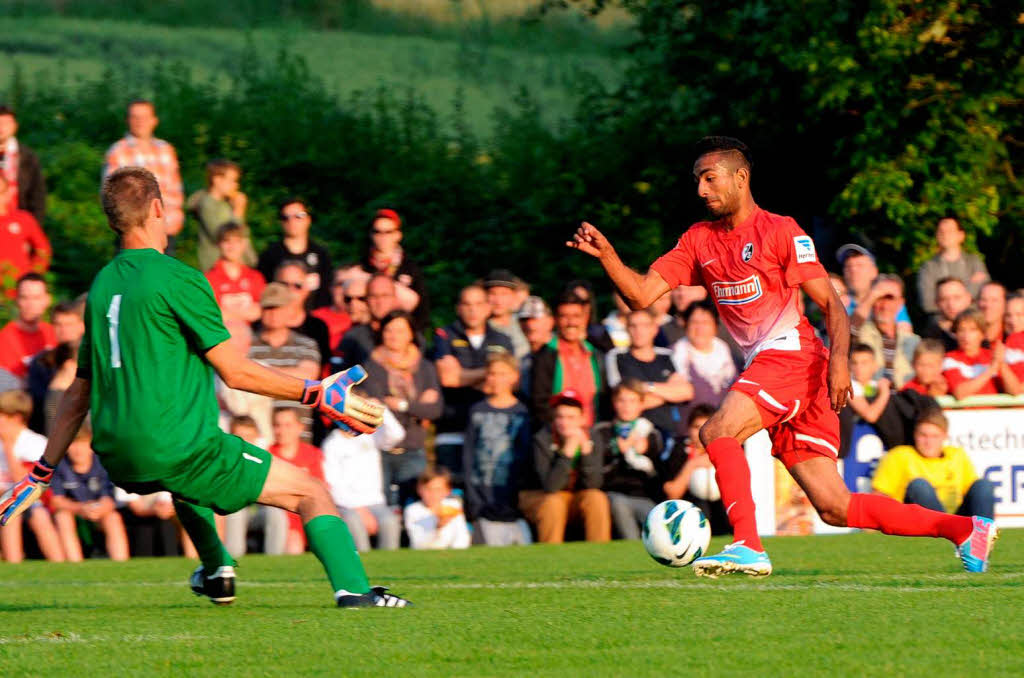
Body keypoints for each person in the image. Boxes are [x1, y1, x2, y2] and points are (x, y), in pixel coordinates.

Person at [568, 135, 997, 576]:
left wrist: (839, 362)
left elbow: (831, 302)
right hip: (783, 370)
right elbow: (640, 295)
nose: (701, 190)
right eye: (698, 180)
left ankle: (747, 545)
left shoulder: (780, 230)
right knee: (833, 506)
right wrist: (608, 256)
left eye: (710, 178)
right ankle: (965, 529)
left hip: (794, 356)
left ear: (741, 177)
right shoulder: (698, 240)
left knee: (718, 430)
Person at [0, 167, 409, 607]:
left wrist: (42, 471)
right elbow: (236, 372)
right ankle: (355, 592)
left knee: (183, 480)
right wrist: (317, 392)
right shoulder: (179, 278)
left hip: (118, 455)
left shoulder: (102, 285)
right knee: (311, 492)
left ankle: (216, 570)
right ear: (158, 208)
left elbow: (80, 389)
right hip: (175, 445)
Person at [431, 284, 514, 482]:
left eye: (478, 304)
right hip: (452, 426)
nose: (473, 310)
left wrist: (463, 375)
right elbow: (448, 378)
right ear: (458, 308)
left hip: (491, 428)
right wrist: (491, 373)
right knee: (452, 493)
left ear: (488, 307)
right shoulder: (444, 335)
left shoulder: (503, 339)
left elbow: (510, 382)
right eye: (467, 304)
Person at [360, 310, 443, 508]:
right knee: (383, 507)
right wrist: (418, 406)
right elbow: (377, 407)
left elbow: (435, 410)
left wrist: (404, 404)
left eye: (400, 330)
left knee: (412, 506)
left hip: (413, 448)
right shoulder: (371, 367)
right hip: (379, 449)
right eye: (389, 330)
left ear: (411, 334)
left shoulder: (424, 368)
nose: (394, 336)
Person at [519, 391, 611, 543]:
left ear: (582, 419)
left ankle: (600, 555)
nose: (564, 422)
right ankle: (551, 556)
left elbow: (594, 484)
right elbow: (551, 486)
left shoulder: (593, 437)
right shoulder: (542, 439)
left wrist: (586, 453)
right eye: (560, 417)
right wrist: (567, 453)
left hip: (573, 496)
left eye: (571, 417)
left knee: (596, 498)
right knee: (553, 502)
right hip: (539, 496)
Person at [463, 353, 533, 546]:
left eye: (502, 373)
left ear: (514, 376)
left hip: (510, 492)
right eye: (492, 373)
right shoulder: (477, 410)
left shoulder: (522, 412)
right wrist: (472, 495)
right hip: (481, 488)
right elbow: (469, 453)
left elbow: (525, 454)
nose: (496, 379)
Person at [872, 409, 994, 519]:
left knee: (983, 485)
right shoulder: (899, 456)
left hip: (955, 519)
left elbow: (976, 496)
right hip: (915, 522)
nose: (928, 442)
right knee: (919, 486)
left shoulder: (956, 455)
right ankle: (945, 533)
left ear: (945, 436)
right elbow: (878, 498)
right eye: (923, 435)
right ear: (915, 435)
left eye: (935, 436)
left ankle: (981, 537)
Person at [321, 403, 404, 552]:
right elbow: (333, 485)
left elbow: (397, 434)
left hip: (375, 503)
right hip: (346, 506)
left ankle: (389, 566)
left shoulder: (370, 436)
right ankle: (362, 566)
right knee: (354, 523)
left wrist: (380, 408)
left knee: (390, 521)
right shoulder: (331, 444)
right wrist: (360, 510)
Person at [103, 100, 184, 253]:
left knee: (163, 276)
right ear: (128, 120)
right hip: (131, 234)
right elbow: (111, 196)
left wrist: (173, 223)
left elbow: (175, 191)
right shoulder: (118, 151)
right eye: (135, 117)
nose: (140, 122)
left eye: (145, 117)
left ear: (154, 121)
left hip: (164, 232)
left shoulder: (166, 150)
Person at [605, 308, 693, 444]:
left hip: (670, 434)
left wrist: (646, 387)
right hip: (634, 437)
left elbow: (687, 392)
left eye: (645, 325)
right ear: (626, 329)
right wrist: (670, 394)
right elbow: (625, 402)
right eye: (633, 326)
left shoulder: (668, 356)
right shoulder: (616, 356)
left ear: (655, 329)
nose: (638, 331)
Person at [248, 283, 321, 440]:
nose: (274, 313)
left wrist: (261, 371)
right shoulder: (247, 346)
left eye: (279, 307)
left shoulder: (306, 345)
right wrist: (288, 374)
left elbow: (307, 378)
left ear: (290, 310)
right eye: (269, 308)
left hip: (299, 438)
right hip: (259, 437)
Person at [592, 381, 664, 540]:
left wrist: (648, 449)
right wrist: (615, 450)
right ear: (614, 403)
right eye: (621, 400)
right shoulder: (602, 431)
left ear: (641, 404)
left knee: (659, 529)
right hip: (614, 494)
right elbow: (595, 470)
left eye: (632, 401)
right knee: (620, 505)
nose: (626, 406)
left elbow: (661, 470)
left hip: (646, 496)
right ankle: (632, 545)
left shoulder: (652, 433)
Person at [0, 389, 64, 562]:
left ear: (16, 417)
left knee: (28, 512)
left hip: (35, 500)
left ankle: (58, 562)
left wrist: (8, 446)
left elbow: (27, 482)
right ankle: (12, 563)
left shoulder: (35, 443)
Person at [49, 423, 130, 562]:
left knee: (113, 517)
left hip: (99, 511)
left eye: (83, 443)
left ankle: (121, 563)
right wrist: (80, 508)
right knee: (62, 517)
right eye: (73, 444)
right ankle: (74, 564)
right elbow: (56, 500)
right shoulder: (60, 465)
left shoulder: (103, 463)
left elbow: (109, 499)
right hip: (74, 511)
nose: (78, 450)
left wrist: (98, 509)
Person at [530, 291, 606, 430]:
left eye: (576, 316)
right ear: (555, 320)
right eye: (564, 316)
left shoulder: (596, 354)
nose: (571, 322)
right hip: (556, 437)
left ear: (586, 318)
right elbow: (539, 403)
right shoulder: (545, 355)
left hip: (594, 436)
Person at [661, 404, 729, 535]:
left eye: (707, 426)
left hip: (722, 511)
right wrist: (692, 465)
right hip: (688, 513)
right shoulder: (678, 451)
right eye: (697, 427)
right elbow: (672, 493)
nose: (702, 432)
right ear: (688, 429)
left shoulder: (727, 448)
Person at [268, 407, 325, 555]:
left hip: (307, 513)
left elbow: (320, 488)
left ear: (300, 428)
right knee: (293, 543)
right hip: (283, 514)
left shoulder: (313, 454)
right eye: (277, 425)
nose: (281, 430)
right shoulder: (267, 456)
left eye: (288, 425)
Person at [258, 197, 333, 309]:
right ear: (280, 222)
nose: (292, 221)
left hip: (314, 316)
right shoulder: (270, 255)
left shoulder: (321, 254)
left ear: (308, 219)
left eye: (299, 216)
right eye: (285, 217)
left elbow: (327, 290)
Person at [361, 209, 430, 330]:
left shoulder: (410, 268)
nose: (383, 237)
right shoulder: (362, 267)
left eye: (388, 232)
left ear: (398, 235)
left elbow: (422, 309)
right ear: (371, 235)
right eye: (377, 232)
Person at [671, 300, 738, 423]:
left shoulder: (725, 350)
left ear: (715, 326)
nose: (700, 328)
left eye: (705, 322)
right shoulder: (675, 353)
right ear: (685, 324)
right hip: (690, 426)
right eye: (694, 322)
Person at [26, 297, 85, 434]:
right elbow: (39, 405)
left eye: (69, 324)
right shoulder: (42, 362)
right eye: (58, 324)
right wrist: (58, 386)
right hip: (51, 431)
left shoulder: (93, 359)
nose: (63, 329)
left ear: (81, 325)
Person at [850, 274, 919, 388]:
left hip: (904, 400)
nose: (884, 305)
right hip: (869, 399)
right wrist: (872, 295)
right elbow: (850, 328)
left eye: (890, 298)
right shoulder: (861, 333)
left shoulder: (913, 341)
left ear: (901, 302)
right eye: (879, 298)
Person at [188, 159, 255, 271]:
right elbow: (225, 235)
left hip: (235, 266)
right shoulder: (208, 205)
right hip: (217, 267)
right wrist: (239, 210)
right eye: (232, 181)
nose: (236, 185)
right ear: (217, 180)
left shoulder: (226, 203)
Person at [916, 217, 990, 318]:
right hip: (942, 322)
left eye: (950, 231)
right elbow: (927, 304)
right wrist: (970, 288)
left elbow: (986, 296)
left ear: (961, 235)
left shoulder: (974, 262)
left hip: (973, 320)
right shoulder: (928, 267)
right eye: (941, 231)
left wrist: (944, 298)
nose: (945, 235)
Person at [942, 309, 1019, 399]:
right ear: (956, 334)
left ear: (982, 334)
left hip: (993, 412)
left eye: (973, 330)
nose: (966, 336)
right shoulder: (950, 358)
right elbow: (960, 392)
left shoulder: (991, 355)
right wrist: (991, 370)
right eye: (961, 330)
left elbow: (1015, 391)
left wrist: (1001, 364)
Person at [273, 260, 331, 373]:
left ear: (307, 290)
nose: (290, 290)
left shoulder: (318, 327)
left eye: (297, 286)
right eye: (284, 285)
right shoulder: (259, 324)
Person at [204, 223, 265, 328]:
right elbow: (211, 314)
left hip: (251, 338)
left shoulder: (255, 277)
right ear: (219, 244)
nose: (232, 247)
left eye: (237, 241)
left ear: (244, 244)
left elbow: (260, 312)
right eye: (227, 241)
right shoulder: (208, 279)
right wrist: (246, 313)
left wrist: (227, 313)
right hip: (222, 339)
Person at [0, 273, 55, 384]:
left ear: (47, 300)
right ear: (16, 300)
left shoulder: (56, 334)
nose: (30, 304)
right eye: (24, 297)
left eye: (36, 298)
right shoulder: (4, 340)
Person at [337, 273, 400, 370]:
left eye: (385, 296)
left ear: (395, 299)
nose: (380, 302)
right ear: (368, 300)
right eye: (374, 296)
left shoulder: (411, 334)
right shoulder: (352, 338)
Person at [0, 172, 50, 292]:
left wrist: (32, 276)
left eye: (0, 193)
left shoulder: (23, 219)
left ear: (8, 194)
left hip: (18, 290)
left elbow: (43, 249)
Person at [0, 105, 47, 224]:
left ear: (15, 126)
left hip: (18, 225)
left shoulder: (27, 157)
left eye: (6, 123)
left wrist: (34, 226)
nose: (1, 128)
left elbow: (37, 195)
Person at [404, 467, 471, 550]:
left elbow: (462, 535)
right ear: (419, 489)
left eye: (438, 489)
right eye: (428, 489)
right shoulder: (412, 510)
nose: (433, 494)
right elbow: (418, 544)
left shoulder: (453, 506)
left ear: (448, 490)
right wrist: (438, 527)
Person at [311, 267, 355, 368]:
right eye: (341, 284)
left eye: (350, 283)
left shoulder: (366, 320)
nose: (346, 289)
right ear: (331, 288)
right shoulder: (315, 318)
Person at [484, 269, 530, 359]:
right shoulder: (479, 328)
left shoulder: (525, 323)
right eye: (493, 293)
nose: (498, 300)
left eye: (504, 294)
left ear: (513, 296)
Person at [516, 295, 553, 399]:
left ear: (550, 321)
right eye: (524, 320)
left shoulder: (562, 352)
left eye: (535, 319)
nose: (530, 325)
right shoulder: (522, 359)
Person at [924, 277, 974, 352]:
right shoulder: (930, 339)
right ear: (936, 303)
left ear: (968, 299)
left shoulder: (983, 333)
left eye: (957, 298)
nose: (951, 304)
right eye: (944, 299)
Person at [847, 344, 891, 426]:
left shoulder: (876, 385)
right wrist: (885, 393)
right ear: (849, 365)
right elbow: (871, 416)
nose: (858, 367)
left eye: (864, 363)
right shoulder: (849, 385)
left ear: (875, 366)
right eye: (854, 363)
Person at [977, 282, 1006, 346]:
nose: (988, 305)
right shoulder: (965, 340)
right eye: (983, 299)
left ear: (1005, 304)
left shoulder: (1015, 339)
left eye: (994, 300)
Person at [1005, 294, 1024, 388]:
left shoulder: (1015, 339)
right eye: (1008, 315)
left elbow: (1018, 386)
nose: (1013, 321)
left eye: (1019, 315)